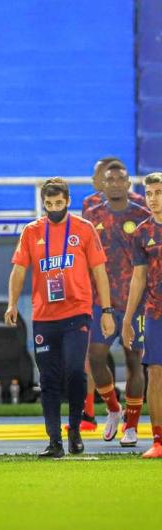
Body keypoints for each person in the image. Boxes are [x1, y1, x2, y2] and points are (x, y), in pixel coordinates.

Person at [6, 177, 114, 458]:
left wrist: (107, 310)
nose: (53, 208)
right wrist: (12, 303)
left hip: (77, 312)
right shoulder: (31, 231)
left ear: (68, 201)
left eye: (58, 202)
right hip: (44, 315)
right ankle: (54, 440)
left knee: (76, 372)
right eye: (48, 203)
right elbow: (19, 269)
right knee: (49, 379)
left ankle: (75, 429)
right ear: (43, 203)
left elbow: (100, 272)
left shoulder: (84, 229)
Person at [82, 162, 150, 446]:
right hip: (102, 301)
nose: (115, 184)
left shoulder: (143, 216)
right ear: (103, 185)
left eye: (120, 179)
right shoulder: (92, 217)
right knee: (96, 357)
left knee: (134, 361)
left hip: (136, 302)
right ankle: (113, 408)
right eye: (109, 180)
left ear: (127, 184)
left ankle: (131, 426)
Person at [124, 172, 162, 458]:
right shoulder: (142, 232)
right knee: (155, 372)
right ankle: (159, 440)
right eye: (149, 194)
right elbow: (138, 278)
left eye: (158, 192)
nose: (153, 199)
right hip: (155, 312)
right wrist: (126, 319)